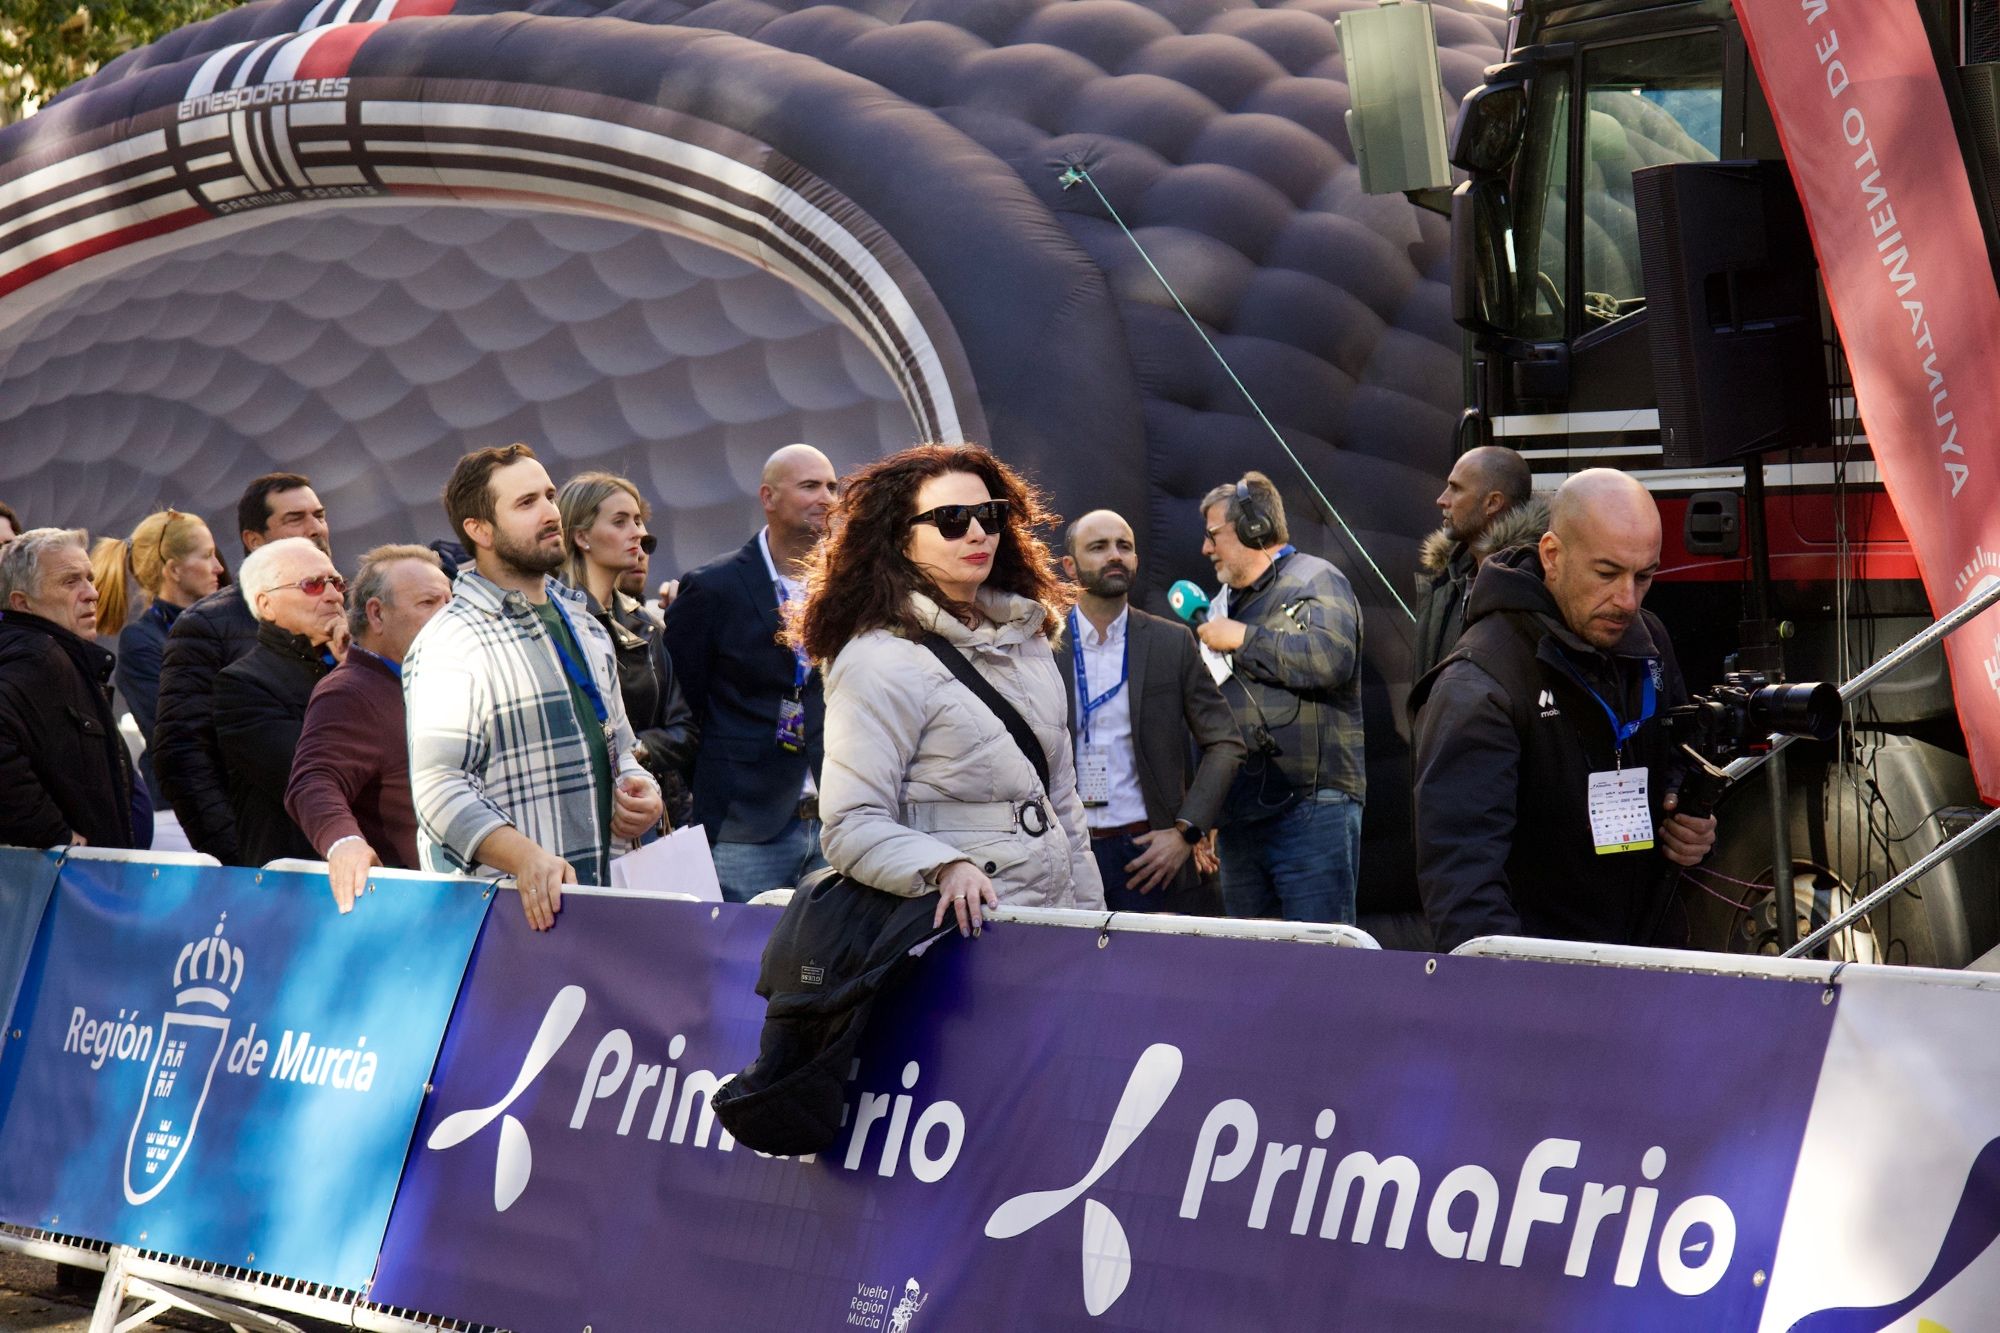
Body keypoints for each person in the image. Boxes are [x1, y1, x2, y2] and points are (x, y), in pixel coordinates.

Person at [1408, 468, 1720, 952]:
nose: (1627, 599)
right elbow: (1463, 888)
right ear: (1552, 555)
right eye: (1607, 572)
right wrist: (1524, 999)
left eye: (1645, 576)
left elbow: (1673, 755)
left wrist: (1684, 816)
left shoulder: (1649, 638)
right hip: (1543, 988)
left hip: (1649, 962)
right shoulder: (1481, 682)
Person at [800, 443, 1104, 935]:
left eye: (989, 515)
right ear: (901, 538)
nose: (979, 533)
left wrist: (1089, 927)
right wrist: (942, 866)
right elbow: (852, 824)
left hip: (1053, 929)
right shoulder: (877, 659)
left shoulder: (1028, 638)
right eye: (952, 519)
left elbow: (1062, 804)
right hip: (954, 936)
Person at [405, 444, 662, 929]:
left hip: (600, 901)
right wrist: (525, 858)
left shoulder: (583, 622)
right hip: (513, 919)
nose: (550, 512)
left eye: (548, 495)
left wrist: (642, 791)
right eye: (526, 503)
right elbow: (439, 789)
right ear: (478, 530)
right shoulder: (453, 638)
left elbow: (623, 747)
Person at [665, 443, 837, 901]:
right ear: (769, 496)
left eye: (832, 486)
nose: (827, 498)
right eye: (810, 486)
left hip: (835, 819)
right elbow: (685, 704)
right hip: (743, 825)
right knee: (739, 963)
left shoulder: (850, 589)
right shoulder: (712, 587)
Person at [1194, 472, 1365, 924]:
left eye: (1213, 536)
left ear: (1253, 528)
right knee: (1253, 970)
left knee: (1320, 964)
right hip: (1239, 817)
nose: (1206, 549)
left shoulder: (1316, 578)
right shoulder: (1223, 605)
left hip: (1311, 810)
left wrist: (1244, 639)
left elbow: (1331, 659)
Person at [1055, 509, 1244, 913]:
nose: (1115, 556)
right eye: (1098, 547)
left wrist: (1186, 832)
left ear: (1137, 560)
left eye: (1125, 546)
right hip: (1066, 853)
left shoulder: (1169, 642)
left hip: (1149, 852)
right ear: (1070, 566)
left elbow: (1225, 742)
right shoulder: (1040, 646)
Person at [153, 473, 331, 863]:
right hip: (270, 859)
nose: (315, 528)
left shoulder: (349, 611)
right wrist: (237, 856)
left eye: (319, 514)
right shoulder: (207, 625)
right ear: (254, 540)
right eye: (295, 518)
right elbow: (184, 754)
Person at [285, 545, 452, 912]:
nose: (448, 616)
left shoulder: (442, 680)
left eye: (450, 602)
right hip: (421, 911)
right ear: (376, 614)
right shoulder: (348, 692)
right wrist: (344, 843)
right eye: (428, 603)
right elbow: (313, 781)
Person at [558, 474, 697, 825]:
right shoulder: (554, 620)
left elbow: (685, 730)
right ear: (581, 536)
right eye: (620, 522)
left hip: (650, 808)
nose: (638, 532)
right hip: (581, 811)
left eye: (637, 520)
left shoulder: (646, 624)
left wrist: (630, 752)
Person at [0, 529, 144, 849]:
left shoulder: (54, 654)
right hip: (63, 888)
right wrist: (53, 834)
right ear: (22, 603)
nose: (92, 593)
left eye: (90, 578)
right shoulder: (37, 658)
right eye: (70, 581)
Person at [212, 538, 347, 867]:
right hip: (302, 877)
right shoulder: (242, 684)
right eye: (312, 585)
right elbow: (318, 776)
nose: (333, 595)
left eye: (336, 582)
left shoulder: (365, 663)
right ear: (266, 605)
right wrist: (352, 676)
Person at [90, 510, 227, 801]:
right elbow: (176, 733)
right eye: (207, 556)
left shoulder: (226, 624)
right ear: (174, 570)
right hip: (185, 806)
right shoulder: (141, 642)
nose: (218, 567)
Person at [1413, 446, 1543, 681]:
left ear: (1493, 503)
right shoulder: (1447, 578)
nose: (1442, 500)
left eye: (1456, 489)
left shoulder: (1537, 584)